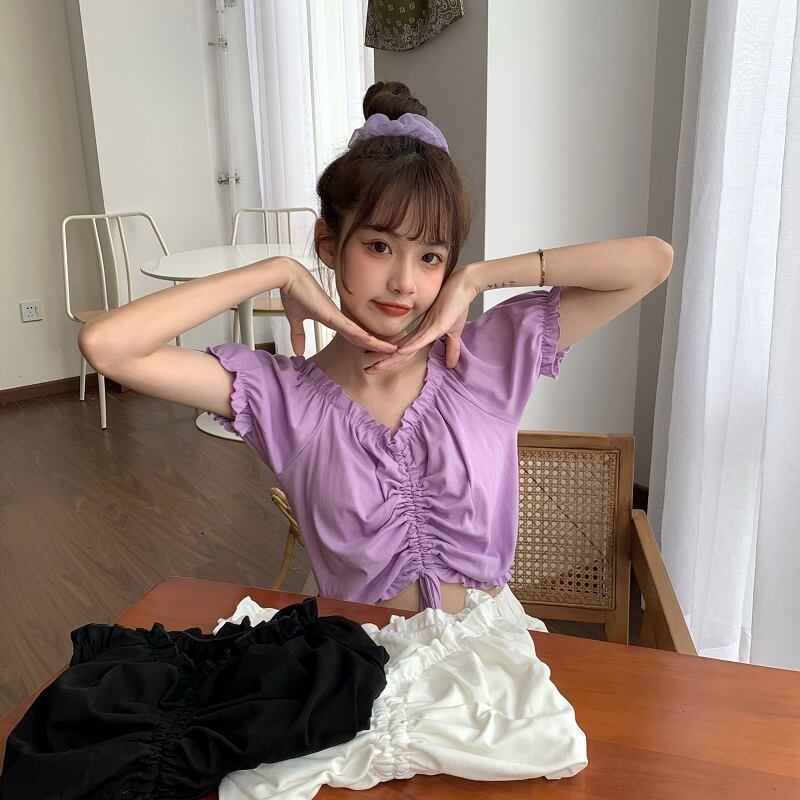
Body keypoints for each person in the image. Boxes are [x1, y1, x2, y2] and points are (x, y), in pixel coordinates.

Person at [79, 81, 673, 620]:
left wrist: (480, 277)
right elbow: (107, 347)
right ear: (330, 243)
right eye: (379, 247)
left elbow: (652, 262)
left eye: (431, 257)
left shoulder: (489, 360)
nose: (404, 283)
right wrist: (278, 271)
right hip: (359, 673)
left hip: (489, 669)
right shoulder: (282, 398)